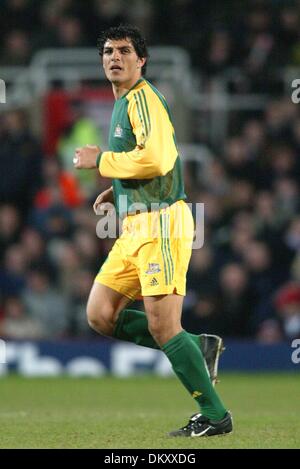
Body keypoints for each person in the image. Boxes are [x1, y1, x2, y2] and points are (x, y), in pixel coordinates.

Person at [73, 24, 232, 437]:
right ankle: (197, 348)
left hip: (161, 222)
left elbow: (159, 158)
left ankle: (216, 417)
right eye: (108, 51)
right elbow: (150, 159)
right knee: (100, 314)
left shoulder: (142, 98)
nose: (115, 57)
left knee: (163, 326)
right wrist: (119, 190)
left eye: (124, 51)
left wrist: (103, 162)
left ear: (141, 60)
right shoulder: (125, 102)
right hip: (135, 223)